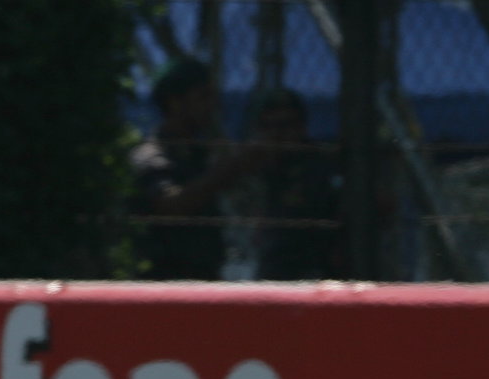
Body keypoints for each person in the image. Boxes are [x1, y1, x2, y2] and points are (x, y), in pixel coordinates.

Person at [129, 57, 253, 280]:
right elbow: (170, 204)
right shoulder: (152, 155)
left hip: (205, 277)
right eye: (202, 97)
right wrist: (226, 171)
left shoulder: (199, 154)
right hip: (163, 283)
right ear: (175, 102)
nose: (212, 106)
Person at [250, 88, 344, 280]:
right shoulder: (255, 168)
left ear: (302, 127)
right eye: (268, 126)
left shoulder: (321, 167)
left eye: (285, 125)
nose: (277, 135)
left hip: (313, 275)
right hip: (270, 274)